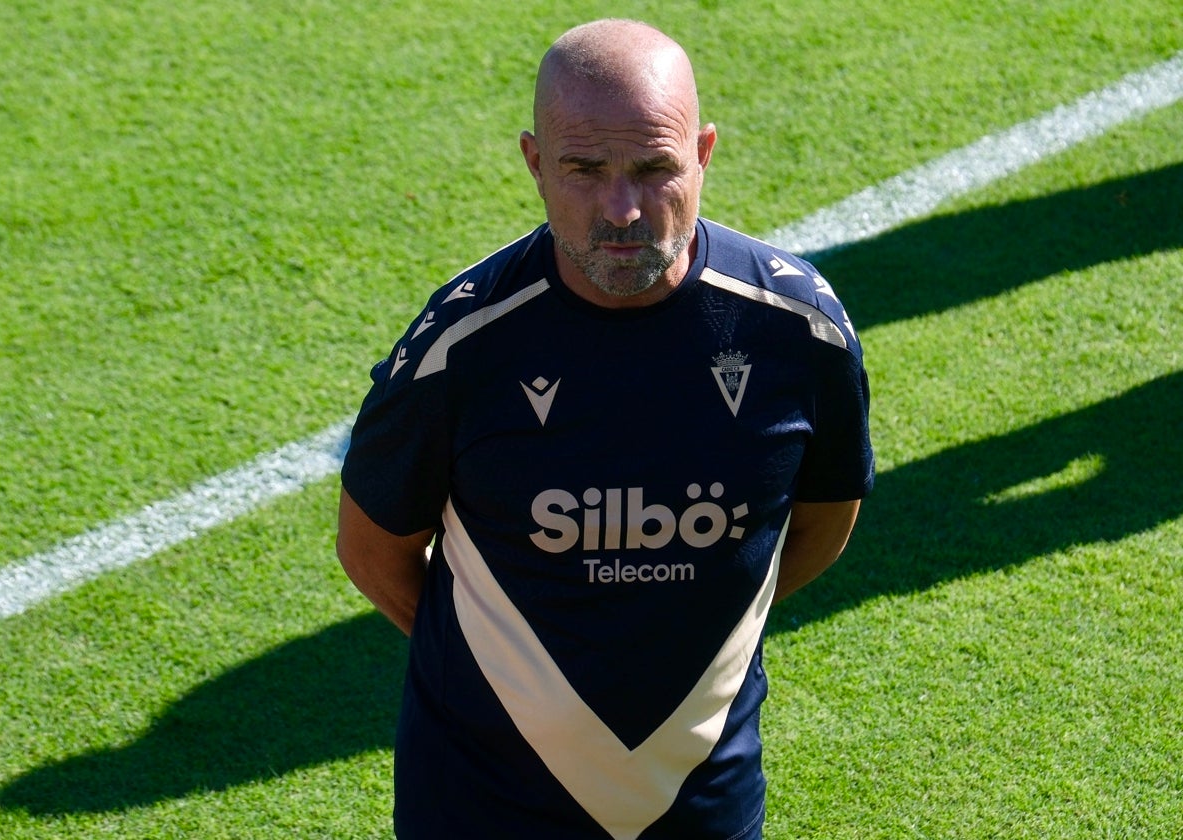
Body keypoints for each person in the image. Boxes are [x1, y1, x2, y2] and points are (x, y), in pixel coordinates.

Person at [337, 18, 874, 840]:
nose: (621, 210)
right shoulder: (461, 348)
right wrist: (510, 683)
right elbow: (372, 550)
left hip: (699, 798)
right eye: (584, 170)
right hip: (480, 802)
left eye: (655, 169)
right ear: (534, 163)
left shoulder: (799, 333)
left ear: (703, 155)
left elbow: (822, 527)